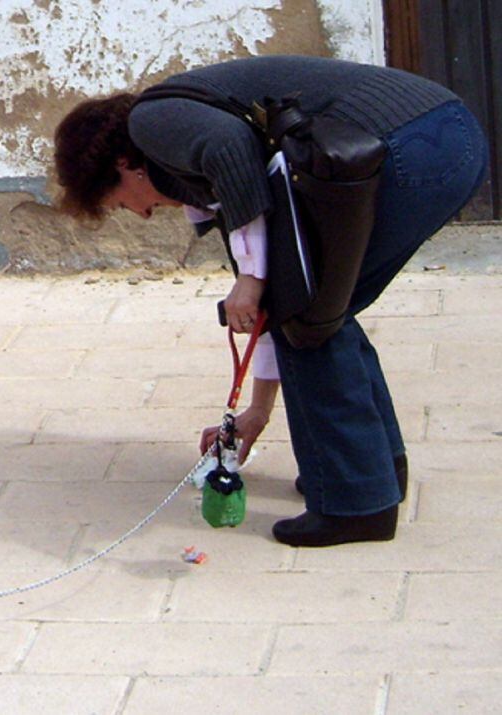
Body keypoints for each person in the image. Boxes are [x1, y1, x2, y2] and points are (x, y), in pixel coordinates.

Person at [52, 55, 488, 547]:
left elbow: (230, 146)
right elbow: (267, 306)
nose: (143, 214)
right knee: (321, 310)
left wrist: (256, 280)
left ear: (123, 166)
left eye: (119, 204)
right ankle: (376, 470)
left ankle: (356, 502)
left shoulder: (152, 123)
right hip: (445, 138)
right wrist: (255, 411)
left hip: (412, 145)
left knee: (311, 316)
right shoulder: (193, 173)